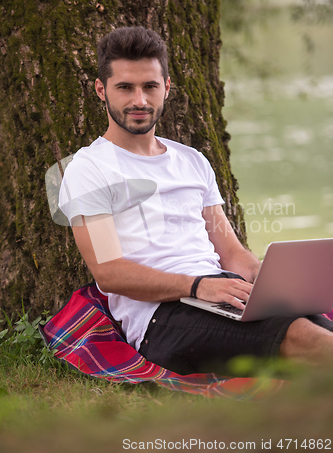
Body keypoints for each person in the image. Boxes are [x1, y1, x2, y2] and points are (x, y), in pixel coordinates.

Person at [59, 26, 333, 375]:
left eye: (150, 86)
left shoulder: (192, 161)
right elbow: (109, 273)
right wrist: (198, 286)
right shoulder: (89, 168)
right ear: (102, 90)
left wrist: (267, 280)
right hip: (161, 319)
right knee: (303, 338)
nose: (139, 100)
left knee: (318, 327)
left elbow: (231, 253)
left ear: (167, 88)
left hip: (219, 295)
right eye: (125, 87)